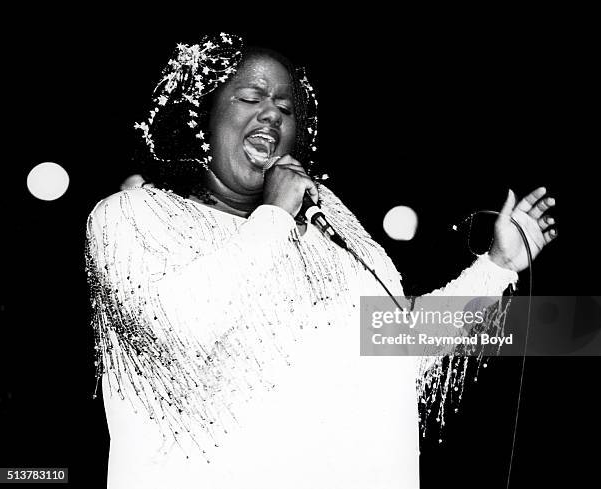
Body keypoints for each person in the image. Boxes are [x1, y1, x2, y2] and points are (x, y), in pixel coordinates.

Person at [85, 33, 557, 489]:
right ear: (203, 116)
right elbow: (182, 326)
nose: (272, 113)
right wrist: (273, 215)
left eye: (286, 108)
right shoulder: (133, 215)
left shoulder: (327, 224)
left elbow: (400, 342)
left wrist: (494, 268)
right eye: (251, 97)